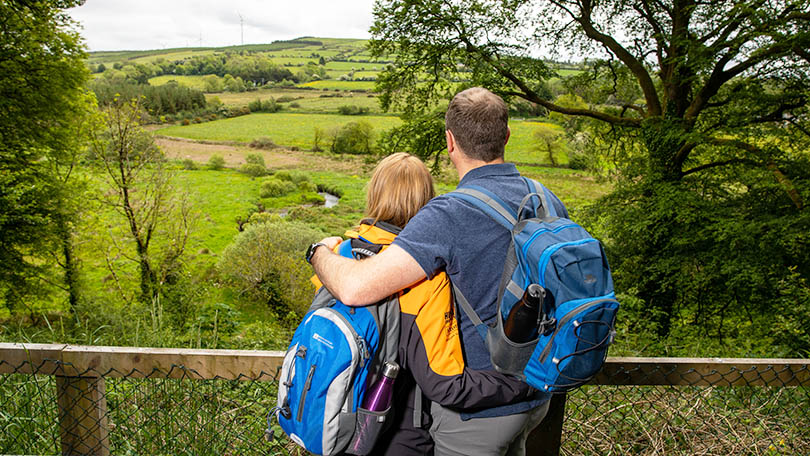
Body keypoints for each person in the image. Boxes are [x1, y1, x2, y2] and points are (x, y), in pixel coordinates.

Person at [309, 87, 569, 456]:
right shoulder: (545, 198)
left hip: (477, 411)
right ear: (507, 136)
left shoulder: (447, 215)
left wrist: (318, 251)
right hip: (538, 392)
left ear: (450, 141)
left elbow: (354, 287)